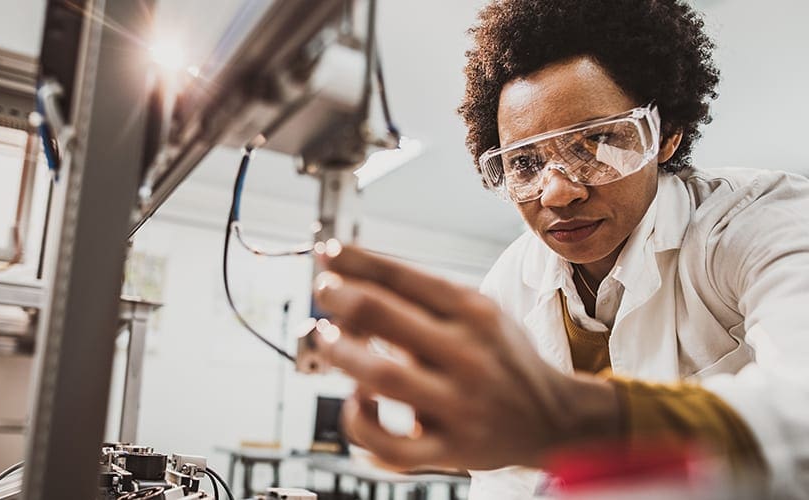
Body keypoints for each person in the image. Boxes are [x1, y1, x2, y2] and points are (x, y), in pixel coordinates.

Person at [310, 0, 809, 498]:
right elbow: (505, 485)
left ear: (666, 135)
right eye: (525, 163)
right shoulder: (510, 283)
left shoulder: (758, 221)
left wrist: (573, 418)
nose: (557, 192)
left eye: (595, 142)